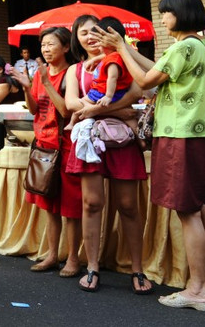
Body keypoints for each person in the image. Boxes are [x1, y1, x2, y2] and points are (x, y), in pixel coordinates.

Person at [95, 0, 205, 310]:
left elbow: (143, 81)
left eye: (166, 12)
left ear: (180, 13)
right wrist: (126, 47)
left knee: (188, 211)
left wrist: (119, 50)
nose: (164, 18)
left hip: (180, 135)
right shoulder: (204, 45)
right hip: (204, 135)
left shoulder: (183, 46)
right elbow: (159, 71)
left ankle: (197, 289)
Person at [63, 15, 150, 295]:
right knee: (91, 203)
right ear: (76, 38)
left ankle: (138, 269)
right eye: (83, 32)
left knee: (128, 204)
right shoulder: (75, 70)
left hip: (121, 140)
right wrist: (117, 111)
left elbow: (136, 92)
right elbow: (71, 104)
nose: (90, 37)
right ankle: (92, 266)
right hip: (91, 140)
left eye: (95, 31)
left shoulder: (122, 60)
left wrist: (95, 109)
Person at [10, 27, 81, 277]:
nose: (46, 49)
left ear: (65, 47)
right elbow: (33, 110)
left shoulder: (72, 73)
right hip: (44, 145)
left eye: (51, 44)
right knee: (49, 204)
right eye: (43, 45)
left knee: (70, 208)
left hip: (66, 145)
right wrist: (28, 87)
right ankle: (52, 254)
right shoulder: (40, 74)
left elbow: (66, 111)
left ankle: (73, 258)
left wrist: (48, 81)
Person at [79, 17, 133, 109]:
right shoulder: (115, 55)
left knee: (81, 103)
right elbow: (106, 57)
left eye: (100, 41)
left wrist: (108, 96)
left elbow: (112, 78)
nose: (98, 44)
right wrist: (94, 60)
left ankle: (73, 122)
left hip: (103, 92)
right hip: (107, 91)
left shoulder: (113, 61)